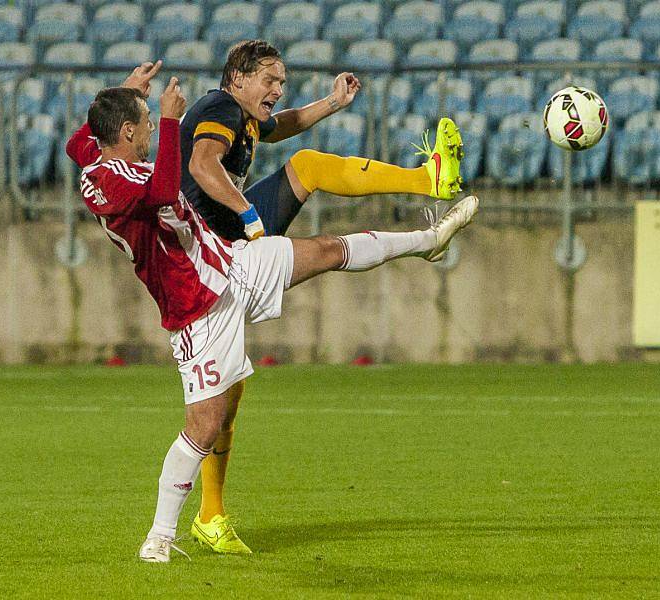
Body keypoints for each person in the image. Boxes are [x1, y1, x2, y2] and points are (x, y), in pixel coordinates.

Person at [66, 65, 479, 563]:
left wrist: (128, 94)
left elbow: (78, 142)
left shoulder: (97, 152)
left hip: (231, 262)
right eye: (146, 121)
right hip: (197, 306)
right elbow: (159, 192)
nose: (154, 126)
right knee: (205, 424)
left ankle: (429, 241)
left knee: (326, 249)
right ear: (127, 133)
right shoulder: (105, 182)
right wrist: (174, 122)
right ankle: (160, 535)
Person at [179, 40, 466, 553]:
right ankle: (202, 516)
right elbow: (202, 164)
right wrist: (248, 213)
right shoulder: (217, 108)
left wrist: (330, 104)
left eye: (282, 81)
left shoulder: (242, 116)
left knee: (307, 164)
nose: (278, 89)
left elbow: (281, 126)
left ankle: (429, 180)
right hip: (208, 259)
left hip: (226, 245)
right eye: (271, 80)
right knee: (221, 399)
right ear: (238, 79)